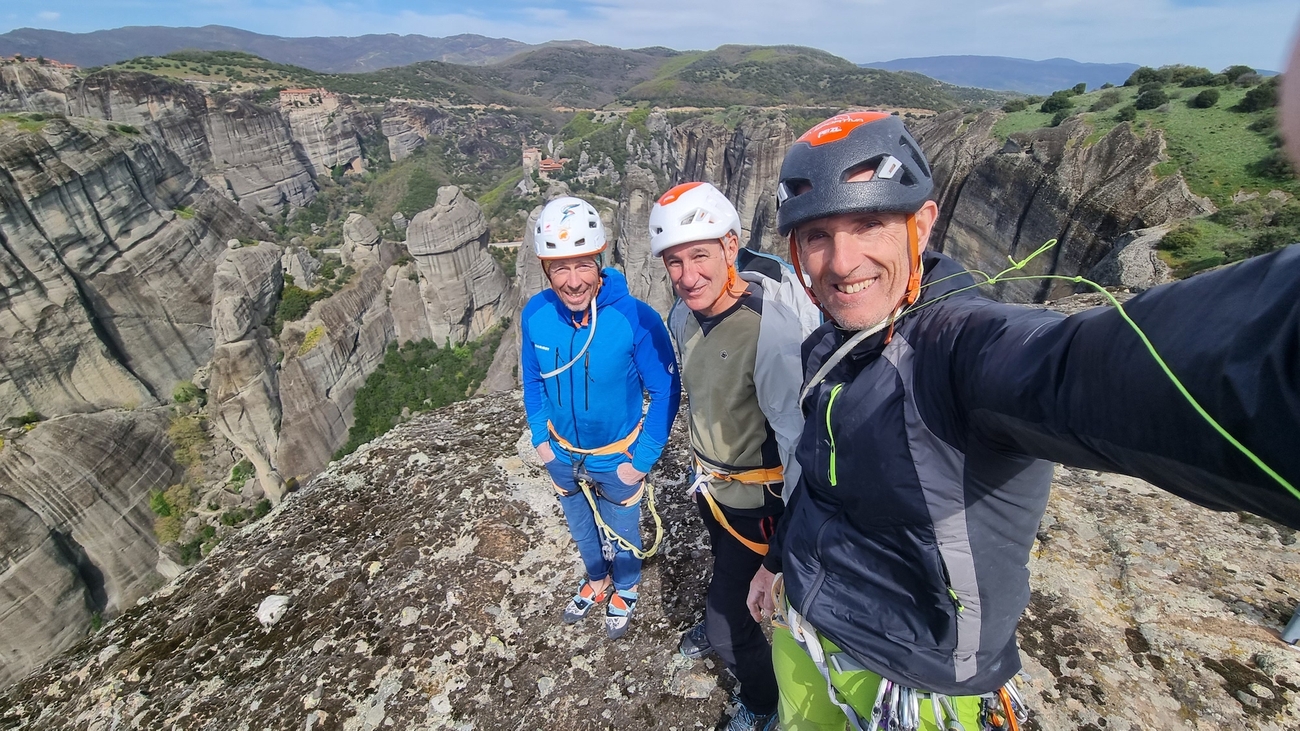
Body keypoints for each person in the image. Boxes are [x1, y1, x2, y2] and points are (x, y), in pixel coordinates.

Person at [746, 111, 1300, 730]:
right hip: (805, 621)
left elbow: (1077, 368)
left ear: (922, 225)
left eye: (869, 223)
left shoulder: (960, 351)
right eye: (817, 235)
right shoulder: (831, 344)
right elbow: (821, 474)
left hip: (908, 672)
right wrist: (776, 563)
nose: (842, 262)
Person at [649, 182, 820, 730]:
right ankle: (724, 614)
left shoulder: (768, 330)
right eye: (674, 262)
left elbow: (796, 443)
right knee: (725, 572)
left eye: (700, 255)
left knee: (733, 620)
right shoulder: (683, 316)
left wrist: (781, 554)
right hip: (713, 490)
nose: (687, 275)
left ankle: (762, 702)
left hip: (760, 505)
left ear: (731, 247)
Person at [520, 196, 680, 639]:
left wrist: (642, 458)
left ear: (600, 261)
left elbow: (666, 388)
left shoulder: (634, 318)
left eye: (583, 265)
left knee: (624, 527)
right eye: (560, 268)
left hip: (616, 455)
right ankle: (596, 578)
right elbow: (532, 379)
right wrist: (540, 438)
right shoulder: (535, 314)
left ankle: (625, 585)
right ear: (545, 268)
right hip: (560, 450)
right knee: (579, 523)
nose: (573, 282)